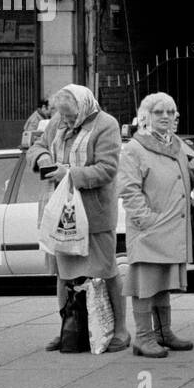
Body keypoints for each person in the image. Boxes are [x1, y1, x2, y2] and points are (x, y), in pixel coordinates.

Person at [27, 84, 129, 352]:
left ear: (84, 107)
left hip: (94, 213)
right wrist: (43, 158)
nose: (68, 122)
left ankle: (119, 330)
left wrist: (70, 174)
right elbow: (35, 146)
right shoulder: (58, 121)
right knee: (64, 274)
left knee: (105, 272)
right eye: (64, 117)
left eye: (72, 118)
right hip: (62, 214)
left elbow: (107, 169)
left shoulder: (106, 125)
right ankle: (69, 329)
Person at [118, 92, 194, 359]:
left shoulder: (177, 145)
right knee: (145, 284)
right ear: (146, 117)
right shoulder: (134, 148)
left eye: (170, 112)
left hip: (171, 228)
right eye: (158, 112)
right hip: (150, 229)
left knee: (162, 282)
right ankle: (144, 338)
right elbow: (129, 191)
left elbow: (184, 177)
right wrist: (147, 221)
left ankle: (164, 332)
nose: (166, 117)